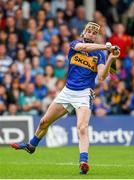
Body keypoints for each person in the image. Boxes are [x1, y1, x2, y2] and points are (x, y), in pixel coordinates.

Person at [11, 22, 120, 174]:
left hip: (84, 93)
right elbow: (84, 48)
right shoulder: (75, 44)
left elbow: (101, 77)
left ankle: (83, 162)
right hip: (67, 91)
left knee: (82, 127)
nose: (91, 34)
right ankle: (31, 146)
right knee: (44, 122)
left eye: (94, 33)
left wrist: (110, 58)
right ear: (83, 33)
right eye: (89, 31)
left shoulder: (100, 55)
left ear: (96, 36)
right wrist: (106, 47)